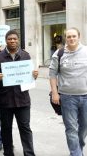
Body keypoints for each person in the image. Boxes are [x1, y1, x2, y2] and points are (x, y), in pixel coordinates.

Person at [0, 30, 38, 156]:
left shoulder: (25, 56)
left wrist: (34, 76)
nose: (12, 41)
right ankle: (8, 153)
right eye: (9, 39)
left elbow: (29, 79)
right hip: (5, 101)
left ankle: (29, 153)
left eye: (14, 39)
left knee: (25, 129)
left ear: (18, 40)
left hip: (22, 100)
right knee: (6, 130)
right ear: (6, 41)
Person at [49, 27, 87, 156]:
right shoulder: (59, 54)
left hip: (86, 96)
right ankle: (76, 154)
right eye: (69, 36)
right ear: (66, 38)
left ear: (78, 37)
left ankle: (78, 150)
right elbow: (52, 74)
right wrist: (55, 92)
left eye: (74, 36)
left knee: (83, 128)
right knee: (71, 129)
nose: (71, 39)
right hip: (67, 97)